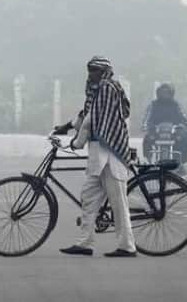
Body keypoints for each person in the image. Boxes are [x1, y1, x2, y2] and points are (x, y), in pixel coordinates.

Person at [54, 56, 137, 258]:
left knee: (118, 203)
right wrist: (67, 127)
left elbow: (93, 119)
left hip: (111, 154)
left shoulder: (107, 89)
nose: (90, 74)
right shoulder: (96, 90)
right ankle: (85, 243)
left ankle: (127, 246)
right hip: (99, 155)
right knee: (88, 198)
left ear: (104, 72)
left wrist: (76, 142)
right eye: (89, 70)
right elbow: (87, 113)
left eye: (94, 70)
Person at [141, 83, 187, 164]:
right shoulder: (153, 104)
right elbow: (147, 118)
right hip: (156, 130)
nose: (165, 94)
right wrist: (144, 127)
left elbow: (184, 117)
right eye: (162, 92)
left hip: (174, 130)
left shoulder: (176, 104)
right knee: (147, 140)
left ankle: (180, 162)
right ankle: (149, 162)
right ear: (158, 93)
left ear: (171, 93)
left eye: (167, 92)